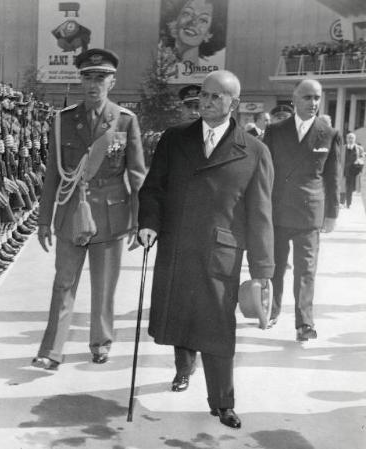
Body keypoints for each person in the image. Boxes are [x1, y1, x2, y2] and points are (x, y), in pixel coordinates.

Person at [138, 70, 274, 429]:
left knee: (217, 328)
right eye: (204, 94)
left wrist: (263, 271)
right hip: (178, 247)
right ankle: (183, 370)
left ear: (235, 103)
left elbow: (260, 215)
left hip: (221, 253)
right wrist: (149, 223)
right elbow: (153, 188)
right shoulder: (174, 138)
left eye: (217, 96)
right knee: (178, 316)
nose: (207, 101)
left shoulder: (255, 151)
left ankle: (222, 402)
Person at [32, 48, 146, 370]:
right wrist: (43, 222)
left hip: (110, 216)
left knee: (104, 286)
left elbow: (136, 175)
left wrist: (139, 221)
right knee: (63, 282)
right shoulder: (63, 120)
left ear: (112, 81)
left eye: (100, 78)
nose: (93, 84)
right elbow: (53, 174)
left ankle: (100, 342)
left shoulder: (126, 121)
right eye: (87, 77)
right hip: (71, 212)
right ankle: (51, 350)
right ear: (80, 80)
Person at [263, 79, 341, 340]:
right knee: (275, 265)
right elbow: (264, 173)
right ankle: (272, 310)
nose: (313, 103)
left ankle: (304, 323)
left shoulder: (328, 133)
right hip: (278, 210)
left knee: (306, 269)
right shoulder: (275, 131)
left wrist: (332, 214)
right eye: (307, 97)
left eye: (317, 98)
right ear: (294, 100)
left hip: (310, 213)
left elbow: (333, 177)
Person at [343, 132, 364, 208]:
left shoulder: (359, 148)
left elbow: (362, 158)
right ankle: (342, 202)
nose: (350, 139)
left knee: (350, 188)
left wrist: (359, 161)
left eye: (352, 138)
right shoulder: (343, 148)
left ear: (355, 139)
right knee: (343, 187)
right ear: (346, 139)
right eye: (349, 138)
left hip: (353, 171)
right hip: (343, 170)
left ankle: (348, 203)